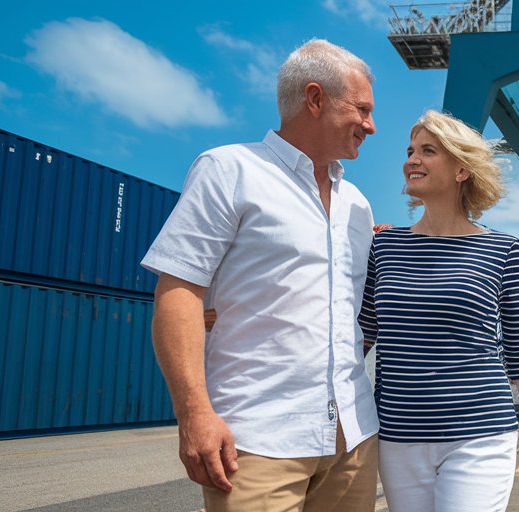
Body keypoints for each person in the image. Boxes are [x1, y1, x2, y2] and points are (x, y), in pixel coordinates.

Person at [142, 39, 380, 511]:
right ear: (315, 99)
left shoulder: (357, 204)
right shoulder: (228, 170)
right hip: (257, 438)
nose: (371, 126)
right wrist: (194, 414)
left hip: (354, 438)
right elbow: (178, 293)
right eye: (362, 110)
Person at [360, 110, 519, 511]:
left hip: (480, 434)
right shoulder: (383, 248)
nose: (411, 160)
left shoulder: (503, 250)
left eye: (428, 151)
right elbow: (359, 338)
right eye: (411, 150)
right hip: (399, 436)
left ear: (461, 169)